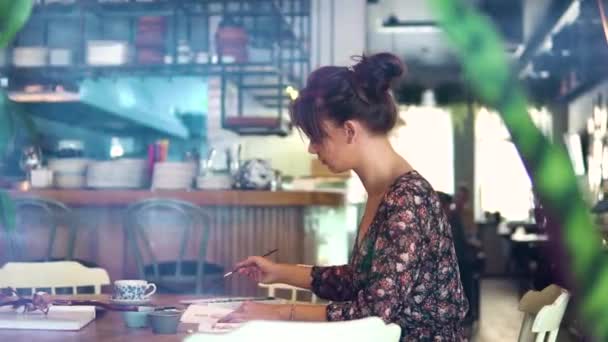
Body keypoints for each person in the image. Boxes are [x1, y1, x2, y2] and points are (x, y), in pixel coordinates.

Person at [219, 53, 469, 340]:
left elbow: (374, 312)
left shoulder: (407, 200)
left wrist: (277, 314)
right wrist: (279, 272)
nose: (312, 149)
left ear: (349, 131)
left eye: (317, 136)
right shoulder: (384, 191)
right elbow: (360, 280)